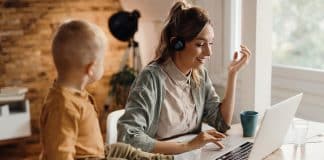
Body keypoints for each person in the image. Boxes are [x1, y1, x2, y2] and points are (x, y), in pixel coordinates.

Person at [117, 1, 251, 155]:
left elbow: (222, 123)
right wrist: (187, 146)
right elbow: (128, 137)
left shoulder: (199, 75)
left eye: (211, 43)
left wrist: (232, 74)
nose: (209, 53)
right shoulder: (151, 79)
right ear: (177, 44)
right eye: (200, 44)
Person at [39, 20, 173, 160]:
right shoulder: (62, 106)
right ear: (90, 69)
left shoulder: (76, 94)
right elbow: (59, 155)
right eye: (102, 61)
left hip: (97, 153)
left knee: (124, 149)